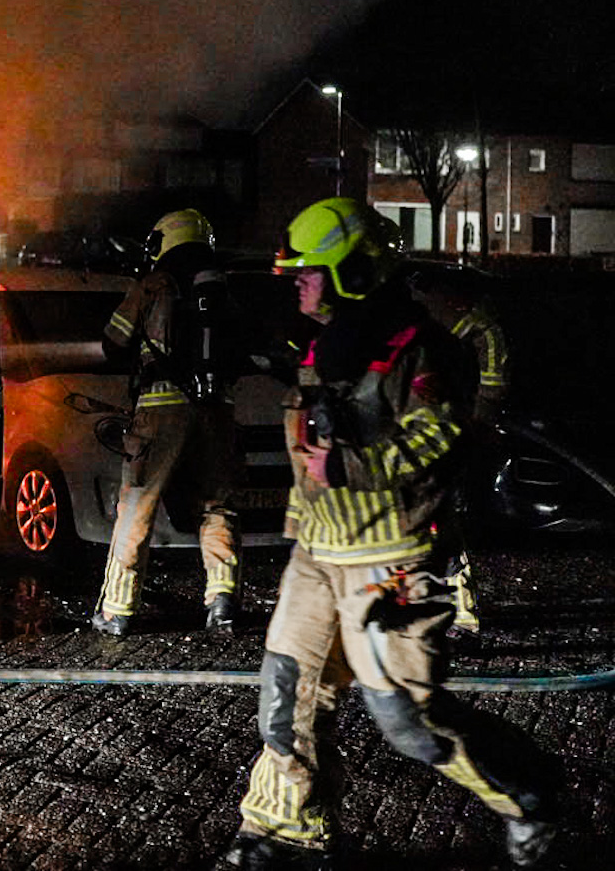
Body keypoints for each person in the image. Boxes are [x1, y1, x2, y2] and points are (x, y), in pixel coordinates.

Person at [212, 198, 557, 870]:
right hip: (317, 556)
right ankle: (285, 834)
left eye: (309, 273)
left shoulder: (419, 348)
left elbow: (441, 435)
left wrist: (351, 460)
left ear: (352, 272)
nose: (297, 285)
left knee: (409, 721)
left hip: (390, 562)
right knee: (288, 703)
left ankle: (526, 797)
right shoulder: (324, 346)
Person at [91, 208, 243, 636]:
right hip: (217, 410)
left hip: (160, 411)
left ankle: (118, 610)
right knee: (217, 505)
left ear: (165, 241)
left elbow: (113, 343)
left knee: (137, 505)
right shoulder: (223, 289)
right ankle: (223, 603)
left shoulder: (153, 284)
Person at [409, 265, 511, 633]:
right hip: (417, 428)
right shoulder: (418, 312)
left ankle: (458, 606)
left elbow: (488, 351)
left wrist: (482, 414)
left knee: (436, 514)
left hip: (436, 427)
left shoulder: (442, 314)